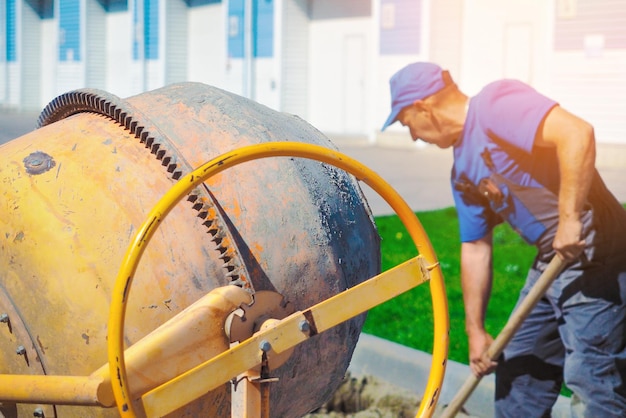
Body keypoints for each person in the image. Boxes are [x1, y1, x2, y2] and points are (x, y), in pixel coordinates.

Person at [382, 62, 626, 417]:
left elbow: (577, 133)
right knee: (518, 370)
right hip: (553, 259)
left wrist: (570, 216)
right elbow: (476, 247)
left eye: (408, 124)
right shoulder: (462, 170)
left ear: (423, 108)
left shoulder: (496, 105)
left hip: (597, 251)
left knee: (592, 377)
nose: (414, 137)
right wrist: (475, 329)